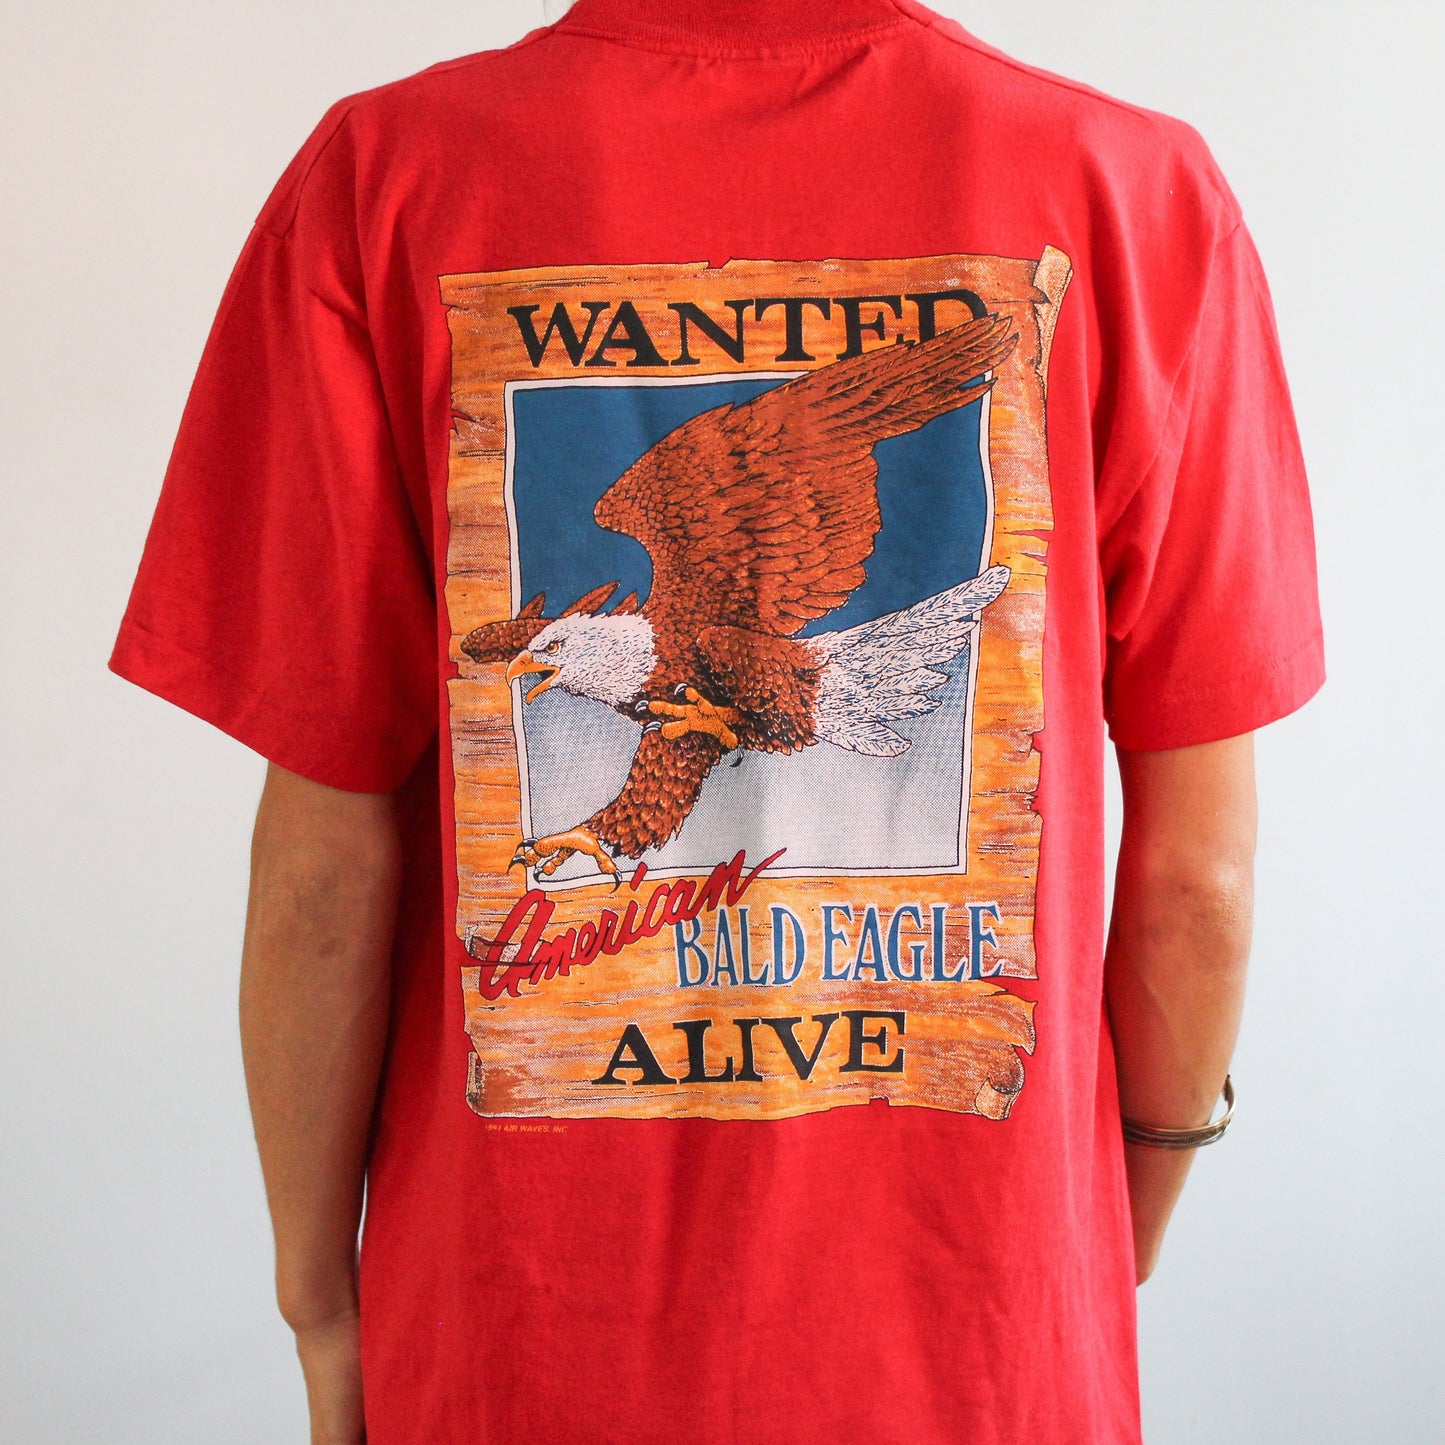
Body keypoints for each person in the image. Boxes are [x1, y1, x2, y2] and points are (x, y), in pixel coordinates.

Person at [109, 1, 1324, 1441]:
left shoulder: (390, 178)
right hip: (982, 1347)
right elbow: (1200, 883)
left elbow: (322, 878)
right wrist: (1099, 1249)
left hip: (520, 1345)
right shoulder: (1127, 189)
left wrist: (321, 1308)